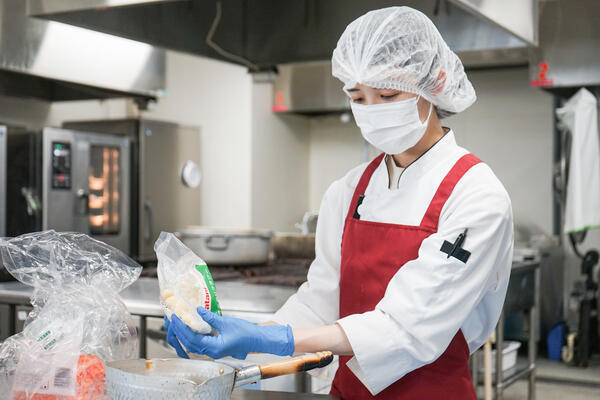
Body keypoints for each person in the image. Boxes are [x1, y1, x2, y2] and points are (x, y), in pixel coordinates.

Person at [165, 6, 513, 399]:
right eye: (357, 96)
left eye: (388, 94)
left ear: (435, 82)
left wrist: (282, 340)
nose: (373, 110)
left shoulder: (477, 195)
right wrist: (239, 342)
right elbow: (319, 305)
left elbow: (408, 326)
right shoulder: (350, 190)